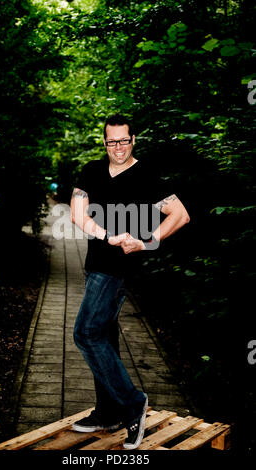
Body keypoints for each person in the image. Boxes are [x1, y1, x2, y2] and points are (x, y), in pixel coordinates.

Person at [70, 114, 190, 449]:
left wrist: (147, 240)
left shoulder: (147, 175)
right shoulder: (92, 171)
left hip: (119, 269)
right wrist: (106, 234)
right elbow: (77, 214)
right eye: (112, 142)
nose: (118, 148)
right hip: (96, 263)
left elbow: (180, 215)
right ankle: (107, 412)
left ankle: (132, 403)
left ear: (133, 139)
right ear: (104, 142)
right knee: (104, 335)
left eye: (124, 140)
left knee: (85, 332)